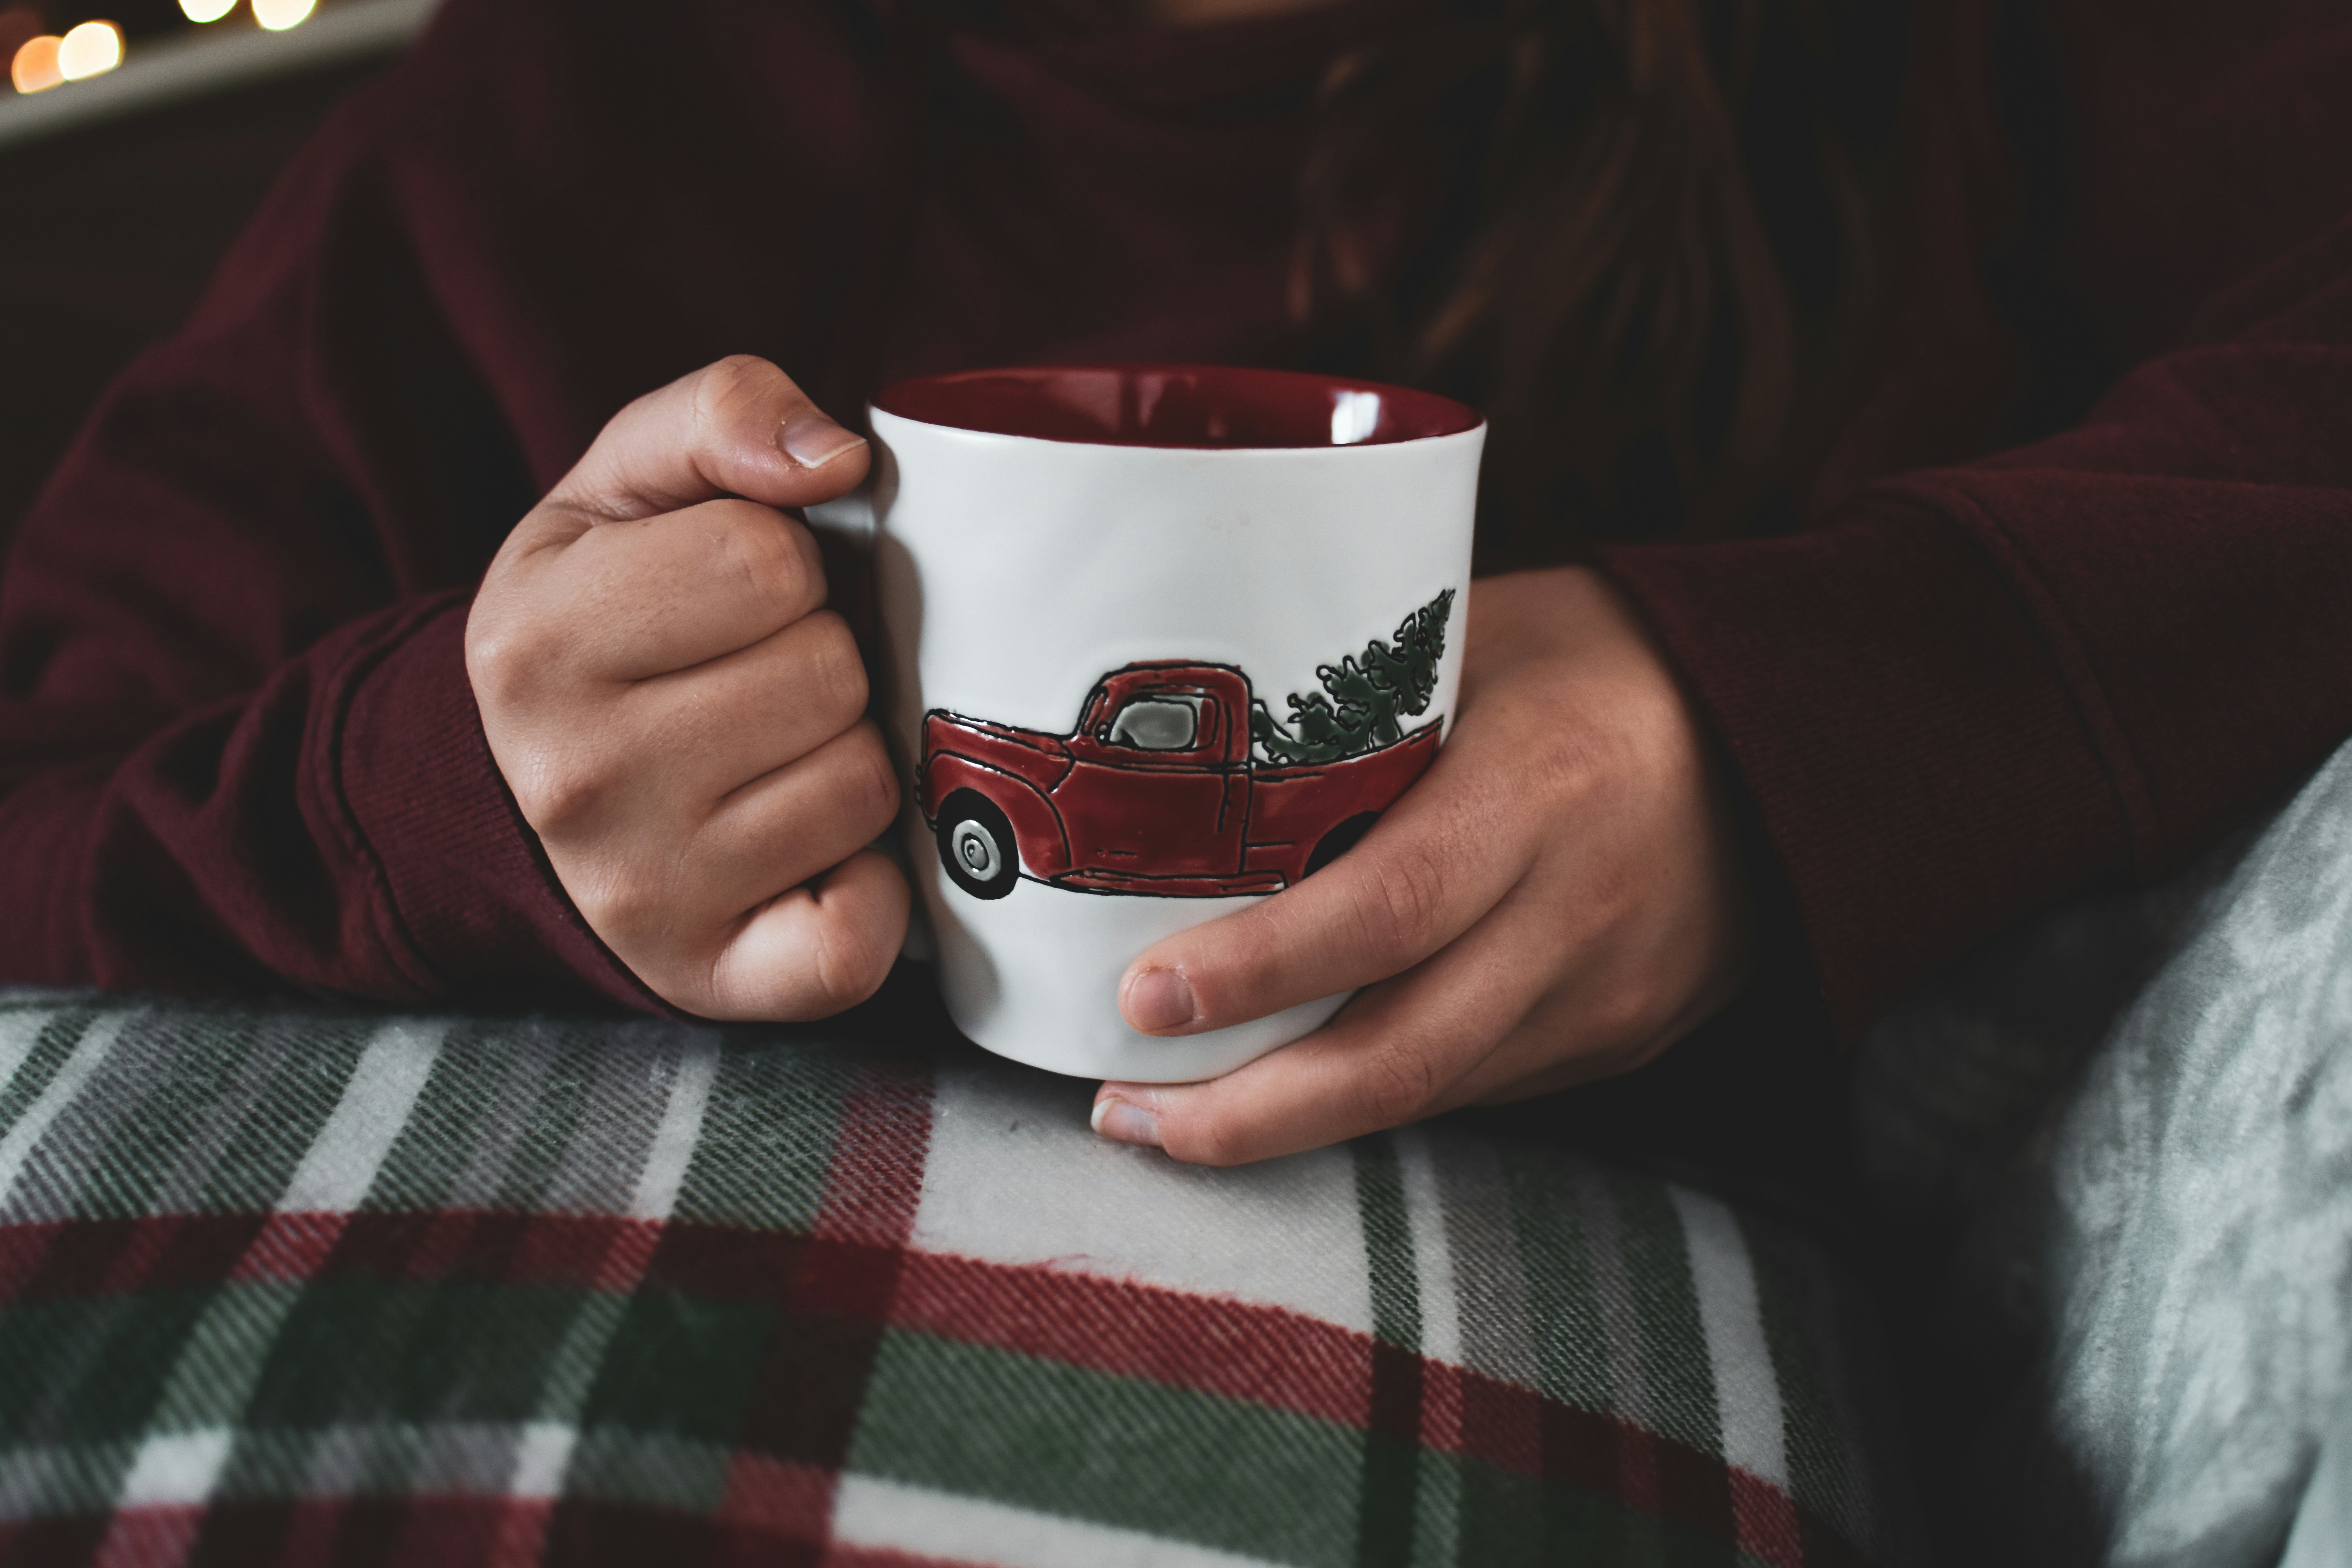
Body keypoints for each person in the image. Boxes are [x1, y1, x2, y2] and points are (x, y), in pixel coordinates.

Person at [1, 0, 2345, 1169]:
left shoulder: (1951, 71)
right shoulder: (553, 121)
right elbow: (48, 782)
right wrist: (450, 783)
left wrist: (1765, 729)